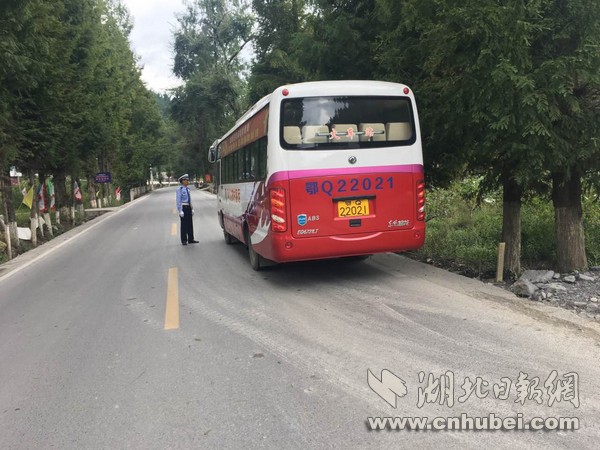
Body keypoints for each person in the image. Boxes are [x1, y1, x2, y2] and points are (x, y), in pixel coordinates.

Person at [176, 174, 199, 245]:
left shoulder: (188, 189)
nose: (188, 181)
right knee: (184, 225)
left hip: (188, 207)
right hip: (184, 208)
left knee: (190, 224)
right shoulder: (179, 190)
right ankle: (184, 240)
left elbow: (190, 200)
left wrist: (192, 208)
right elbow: (178, 201)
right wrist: (180, 211)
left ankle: (191, 239)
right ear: (183, 181)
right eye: (186, 180)